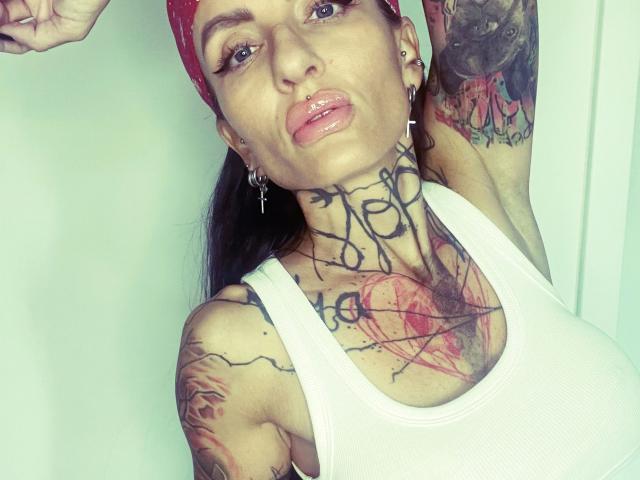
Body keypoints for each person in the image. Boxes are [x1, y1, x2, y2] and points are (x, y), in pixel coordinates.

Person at [4, 1, 640, 479]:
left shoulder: (474, 175)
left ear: (406, 48)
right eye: (240, 51)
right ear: (237, 139)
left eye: (325, 7)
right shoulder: (240, 349)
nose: (291, 60)